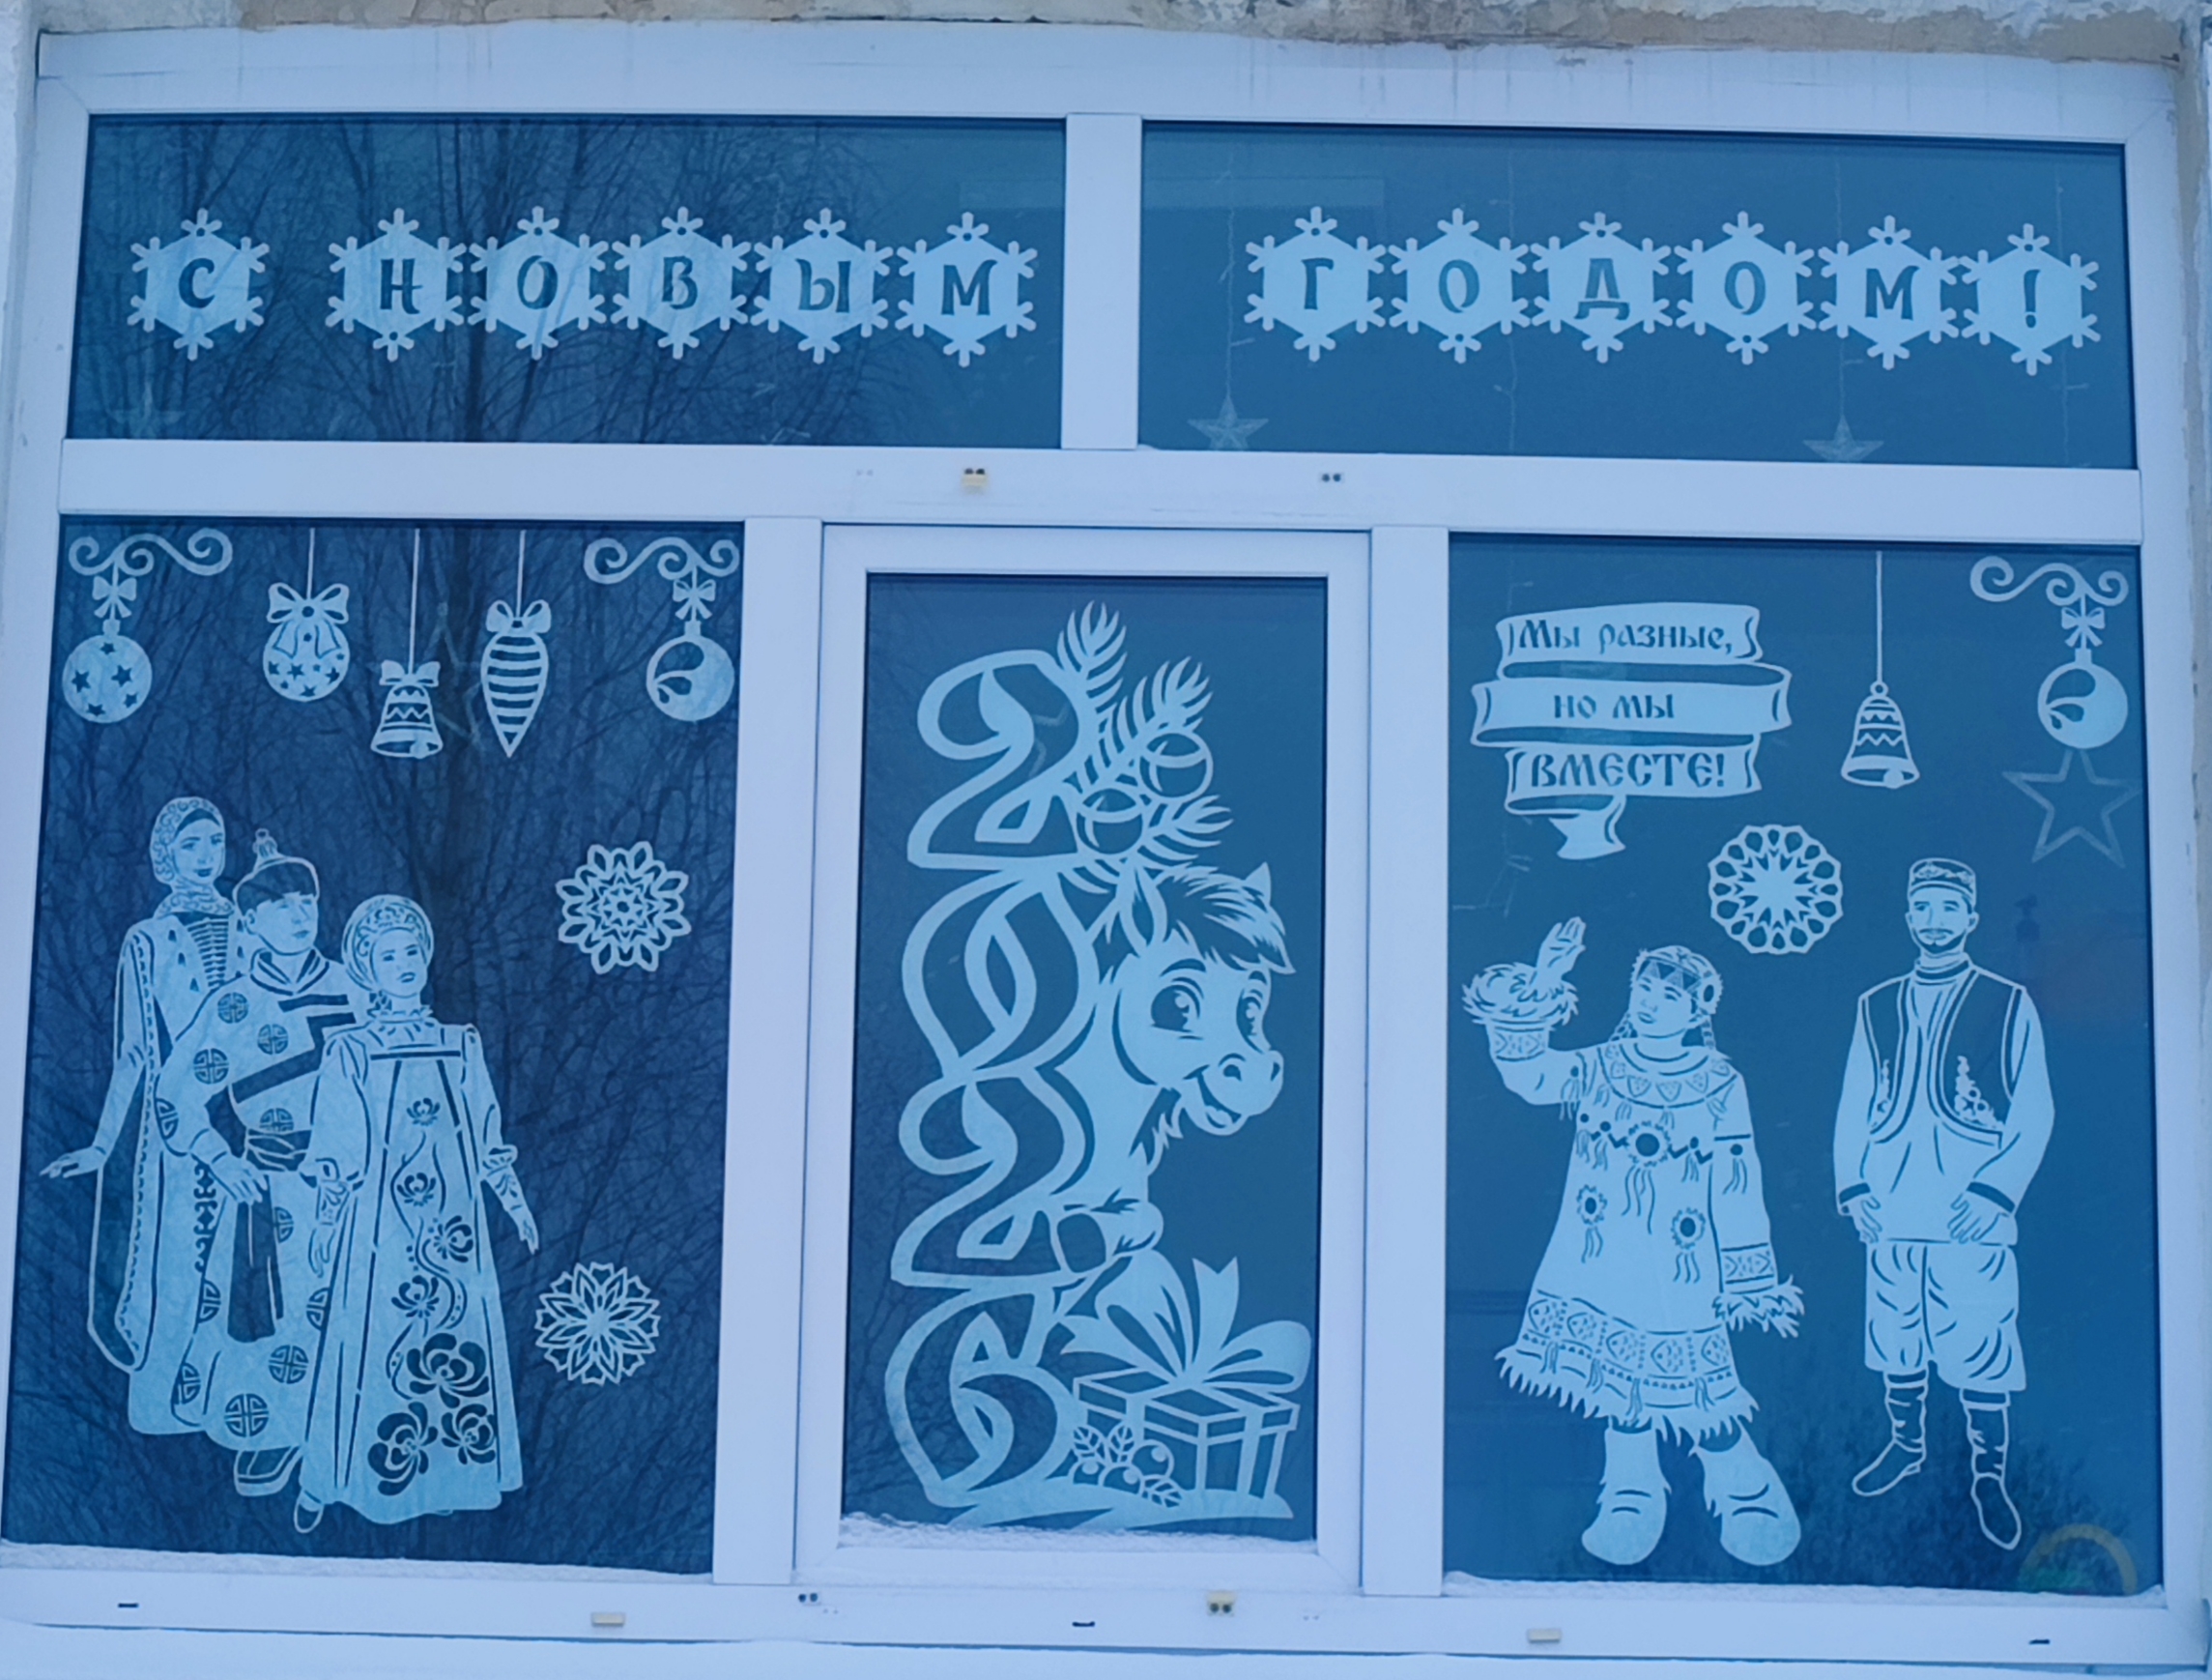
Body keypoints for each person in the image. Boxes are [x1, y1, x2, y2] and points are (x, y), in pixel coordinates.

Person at [1464, 918, 1802, 1568]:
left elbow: (1737, 1183)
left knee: (1697, 1386)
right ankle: (1629, 1496)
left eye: (1669, 995)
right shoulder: (1600, 1066)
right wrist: (1544, 979)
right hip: (1599, 1260)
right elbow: (1529, 1077)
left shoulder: (1717, 1084)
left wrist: (1748, 1279)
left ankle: (1745, 1488)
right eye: (1644, 989)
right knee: (1617, 1387)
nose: (1650, 1002)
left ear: (1698, 1011)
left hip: (1681, 1268)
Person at [295, 895, 536, 1531]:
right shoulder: (350, 1051)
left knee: (450, 1342)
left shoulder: (459, 1045)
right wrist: (326, 1222)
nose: (403, 964)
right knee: (369, 1343)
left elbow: (486, 1137)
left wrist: (513, 1201)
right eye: (387, 956)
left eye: (411, 951)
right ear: (367, 969)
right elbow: (339, 1147)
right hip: (379, 1234)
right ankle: (338, 1478)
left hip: (453, 1234)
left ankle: (449, 1477)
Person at [1834, 858, 2054, 1550]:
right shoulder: (1875, 1005)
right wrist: (1854, 1188)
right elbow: (1854, 1103)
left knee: (1980, 1343)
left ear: (1971, 919)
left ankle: (1988, 1475)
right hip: (1893, 1206)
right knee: (1897, 1334)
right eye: (1923, 908)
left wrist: (1994, 1192)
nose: (1934, 921)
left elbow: (2034, 1111)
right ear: (1909, 917)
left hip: (1968, 1209)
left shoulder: (2005, 1002)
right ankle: (1905, 1444)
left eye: (1948, 908)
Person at [157, 833, 363, 1497]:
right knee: (275, 1316)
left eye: (307, 902)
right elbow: (174, 1096)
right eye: (281, 907)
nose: (300, 916)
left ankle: (351, 1432)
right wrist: (220, 1160)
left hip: (353, 1187)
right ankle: (274, 1432)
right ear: (249, 921)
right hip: (270, 1186)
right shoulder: (233, 1004)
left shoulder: (356, 990)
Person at [43, 797, 237, 1437]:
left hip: (245, 1118)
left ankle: (234, 1402)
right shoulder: (147, 940)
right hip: (174, 1124)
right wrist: (102, 1147)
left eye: (214, 842)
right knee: (176, 1257)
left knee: (243, 1258)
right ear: (165, 857)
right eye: (190, 844)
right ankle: (163, 1403)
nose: (205, 856)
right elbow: (132, 1051)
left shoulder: (251, 924)